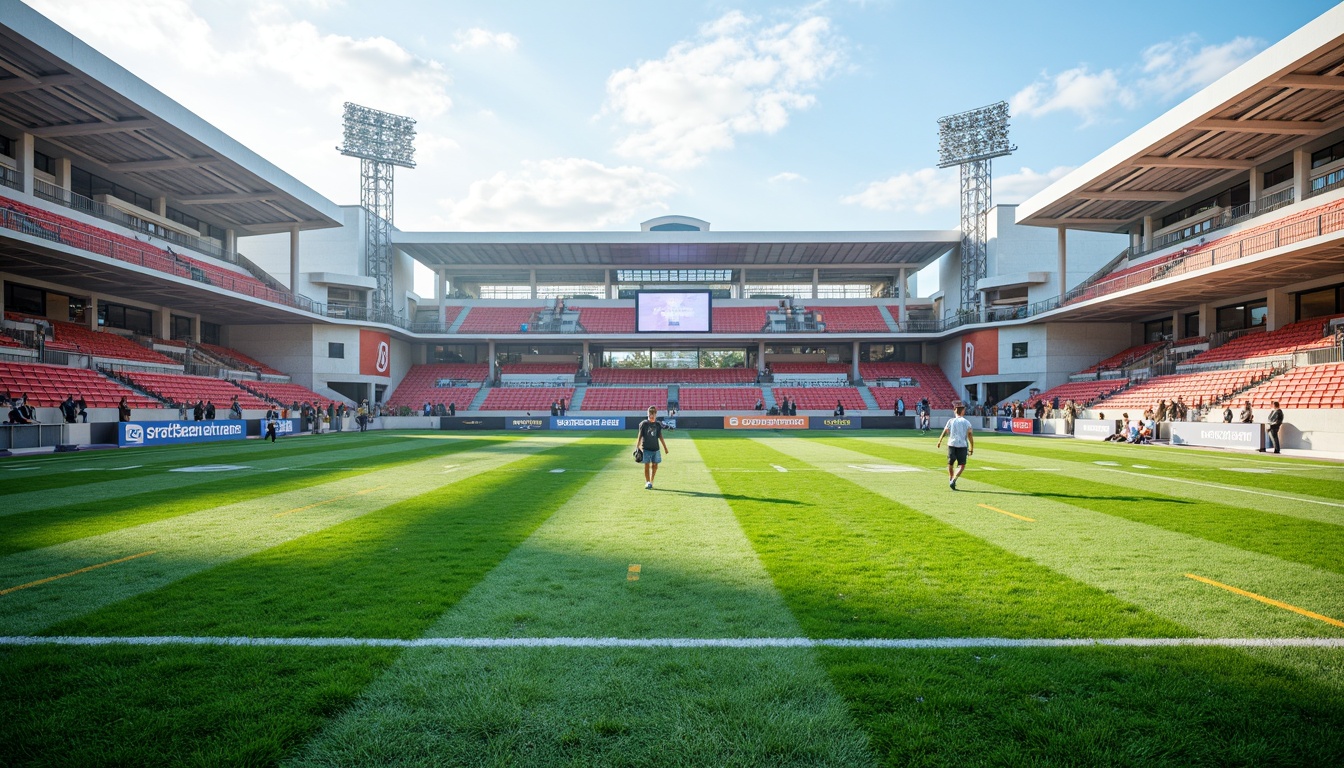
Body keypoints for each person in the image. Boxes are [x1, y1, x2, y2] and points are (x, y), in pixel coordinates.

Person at [935, 404, 974, 491]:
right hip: (962, 445)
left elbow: (945, 431)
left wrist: (939, 441)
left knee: (950, 463)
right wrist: (972, 446)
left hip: (951, 444)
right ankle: (954, 479)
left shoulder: (951, 421)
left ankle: (950, 479)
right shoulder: (966, 422)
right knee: (962, 465)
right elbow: (970, 434)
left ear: (955, 411)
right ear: (962, 411)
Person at [636, 405, 670, 490]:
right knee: (646, 465)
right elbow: (639, 436)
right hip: (646, 448)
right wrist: (637, 447)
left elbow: (660, 436)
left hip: (656, 449)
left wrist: (665, 447)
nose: (651, 417)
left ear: (655, 415)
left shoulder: (658, 424)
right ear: (648, 414)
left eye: (653, 415)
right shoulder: (644, 424)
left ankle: (651, 481)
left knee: (655, 466)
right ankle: (647, 482)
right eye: (649, 415)